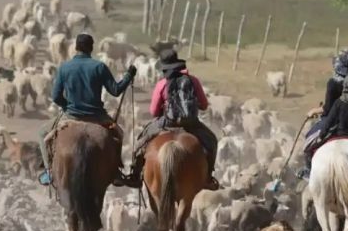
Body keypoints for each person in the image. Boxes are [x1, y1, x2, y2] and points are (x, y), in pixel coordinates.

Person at [38, 33, 136, 186]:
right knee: (120, 133)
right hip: (97, 116)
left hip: (71, 115)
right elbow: (116, 91)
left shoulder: (64, 67)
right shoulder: (99, 67)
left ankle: (49, 171)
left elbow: (56, 96)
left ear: (76, 48)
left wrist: (67, 107)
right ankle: (116, 171)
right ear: (91, 48)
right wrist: (128, 76)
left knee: (42, 133)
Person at [124, 49, 219, 190]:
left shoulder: (162, 84)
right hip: (191, 124)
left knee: (140, 142)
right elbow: (204, 105)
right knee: (212, 141)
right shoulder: (193, 81)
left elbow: (154, 111)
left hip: (167, 123)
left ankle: (135, 175)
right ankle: (208, 177)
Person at [297, 49, 348, 180]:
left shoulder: (333, 82)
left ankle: (308, 170)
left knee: (309, 140)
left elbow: (328, 109)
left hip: (334, 122)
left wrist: (314, 111)